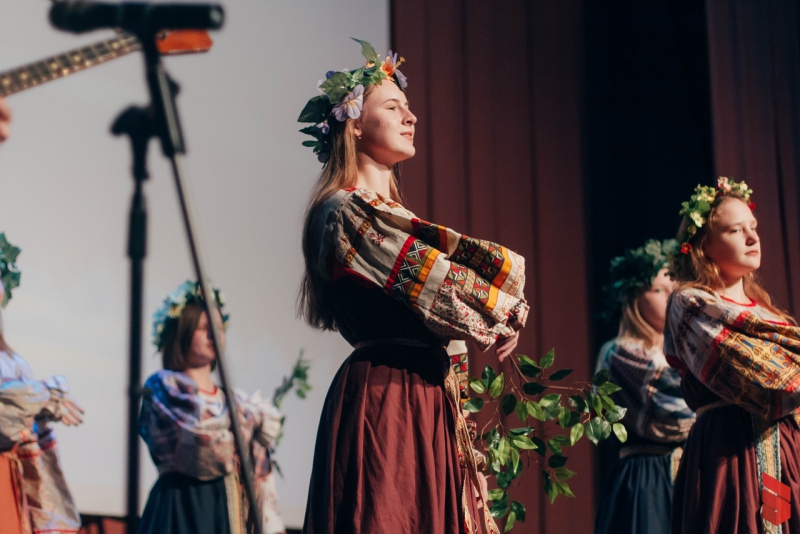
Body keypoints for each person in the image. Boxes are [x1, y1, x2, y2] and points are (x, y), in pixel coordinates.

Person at [298, 39, 528, 534]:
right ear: (355, 123)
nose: (411, 117)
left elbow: (445, 319)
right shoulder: (345, 211)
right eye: (393, 106)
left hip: (426, 397)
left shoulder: (394, 218)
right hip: (388, 399)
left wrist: (465, 443)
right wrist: (499, 308)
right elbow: (439, 284)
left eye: (408, 107)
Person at [666, 177, 800, 533]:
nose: (753, 238)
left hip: (785, 451)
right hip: (729, 453)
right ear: (704, 246)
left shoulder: (775, 317)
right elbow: (761, 375)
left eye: (753, 227)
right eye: (735, 230)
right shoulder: (691, 305)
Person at [139, 281, 285, 534]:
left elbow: (260, 476)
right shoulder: (164, 387)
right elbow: (200, 449)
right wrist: (247, 423)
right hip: (181, 507)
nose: (214, 335)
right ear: (182, 332)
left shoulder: (237, 402)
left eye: (219, 328)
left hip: (226, 511)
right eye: (205, 328)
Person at [594, 239, 695, 534]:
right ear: (634, 298)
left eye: (673, 288)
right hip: (647, 478)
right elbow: (675, 405)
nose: (671, 296)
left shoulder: (687, 353)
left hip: (690, 471)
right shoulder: (620, 352)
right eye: (658, 290)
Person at [0, 232, 83, 533]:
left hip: (7, 476)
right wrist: (43, 397)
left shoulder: (13, 362)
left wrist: (41, 407)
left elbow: (16, 423)